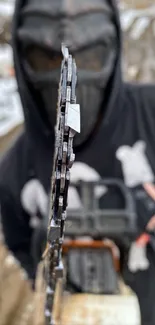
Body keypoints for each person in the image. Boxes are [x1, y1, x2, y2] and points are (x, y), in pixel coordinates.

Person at [1, 0, 155, 324]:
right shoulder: (15, 169)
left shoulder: (150, 113)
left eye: (90, 55)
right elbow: (21, 254)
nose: (71, 74)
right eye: (47, 58)